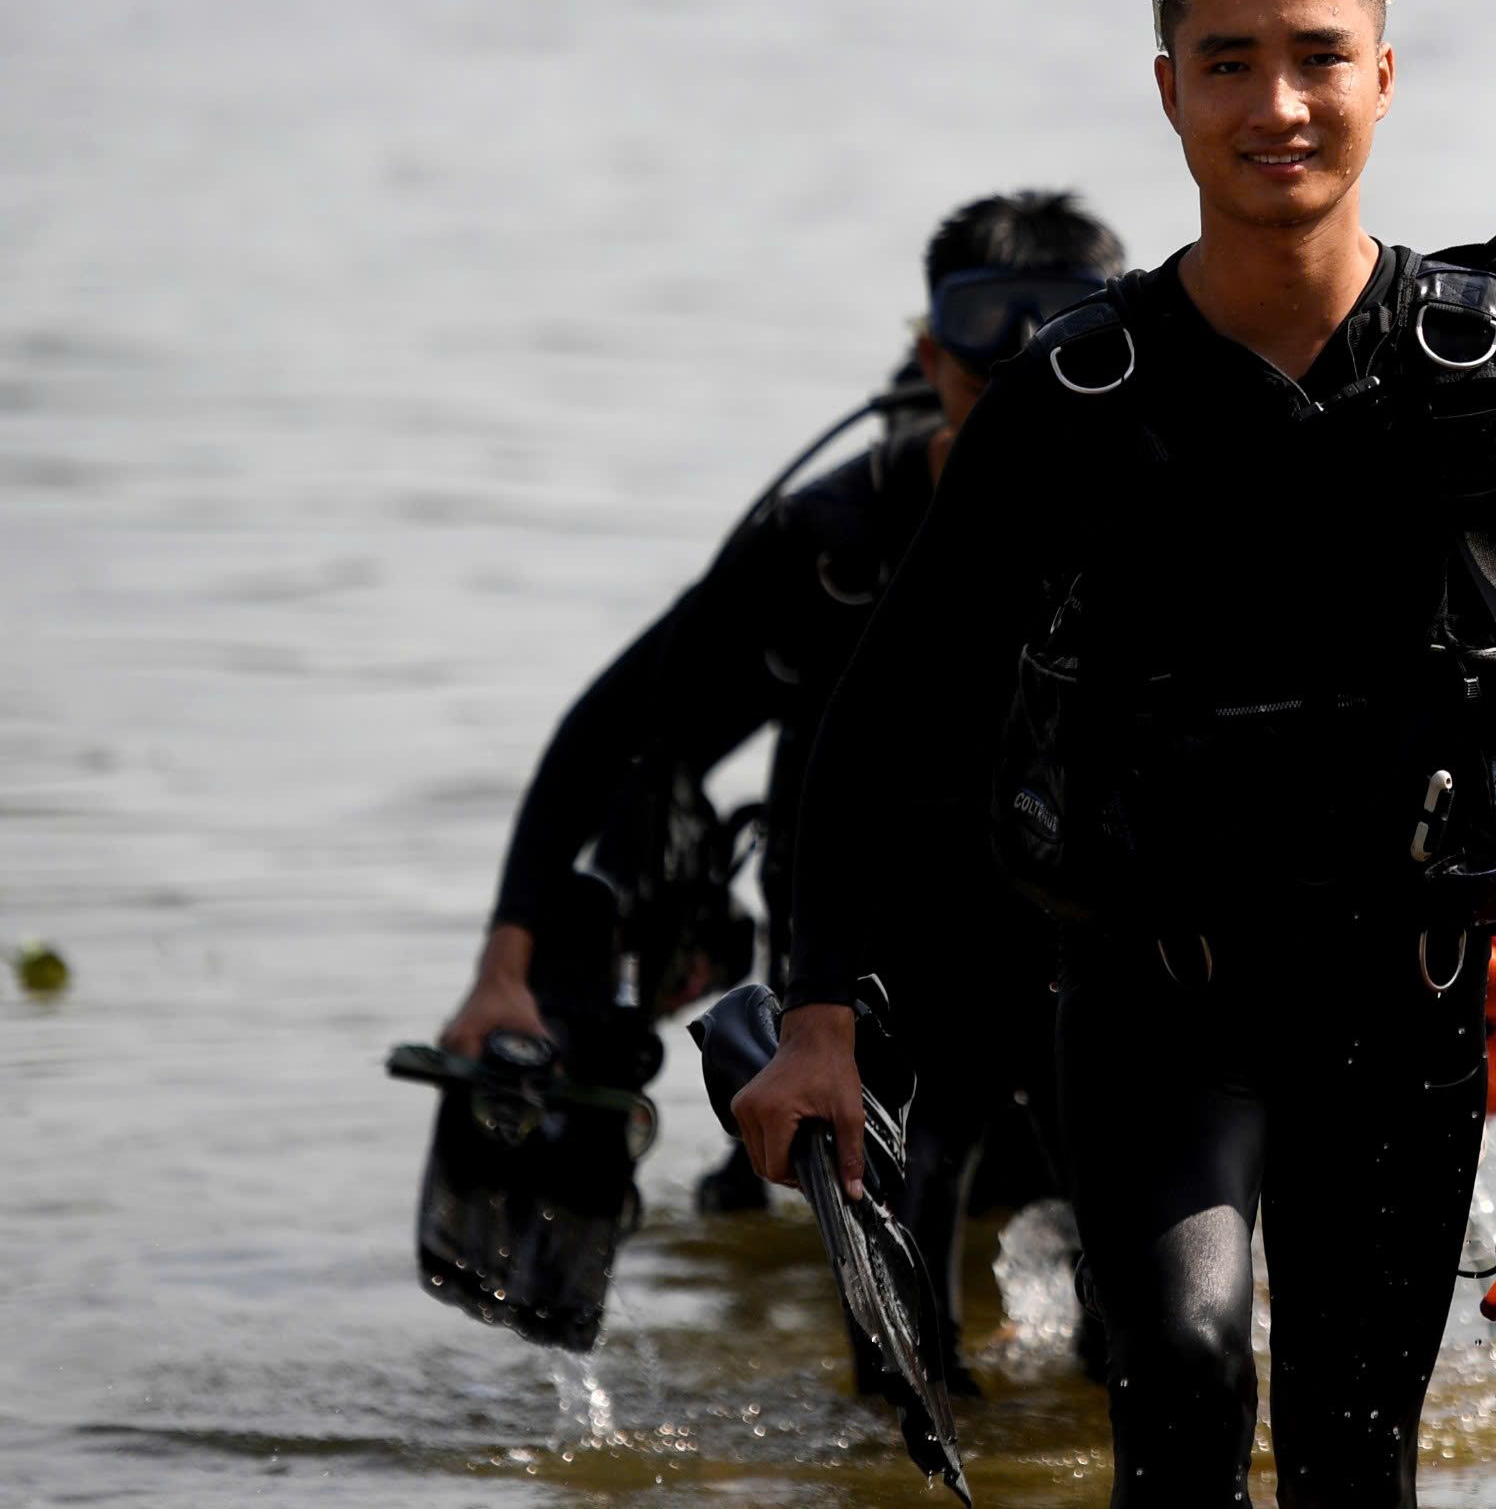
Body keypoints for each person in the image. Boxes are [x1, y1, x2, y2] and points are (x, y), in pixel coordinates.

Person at [734, 0, 1496, 1508]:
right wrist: (819, 1017)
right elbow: (885, 710)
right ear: (1168, 92)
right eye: (1228, 63)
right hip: (1151, 998)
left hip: (1407, 996)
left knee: (1355, 1451)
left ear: (1384, 76)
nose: (1277, 104)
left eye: (1316, 57)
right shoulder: (1078, 394)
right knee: (1188, 1377)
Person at [436, 189, 1126, 1381]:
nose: (1017, 392)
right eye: (984, 354)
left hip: (1091, 962)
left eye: (1054, 349)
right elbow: (608, 738)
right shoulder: (830, 546)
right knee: (894, 1337)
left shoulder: (1167, 528)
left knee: (1135, 1330)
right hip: (875, 974)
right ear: (929, 358)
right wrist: (508, 970)